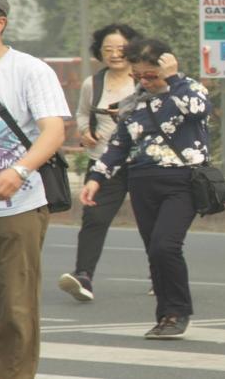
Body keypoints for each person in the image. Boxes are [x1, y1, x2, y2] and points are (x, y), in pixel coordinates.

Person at [0, 0, 70, 378]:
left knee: (15, 306)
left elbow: (53, 131)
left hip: (19, 204)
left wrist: (19, 170)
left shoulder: (30, 70)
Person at [79, 38, 211, 339]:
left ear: (167, 65)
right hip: (141, 181)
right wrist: (96, 177)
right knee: (155, 251)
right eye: (138, 76)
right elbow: (119, 144)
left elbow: (198, 112)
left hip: (182, 181)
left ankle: (178, 311)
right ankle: (165, 316)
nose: (145, 81)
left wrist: (173, 79)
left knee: (166, 245)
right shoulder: (135, 101)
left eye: (151, 75)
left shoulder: (189, 89)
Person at [58, 23, 142, 302]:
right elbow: (82, 114)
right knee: (94, 219)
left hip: (143, 164)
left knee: (152, 223)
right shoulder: (92, 83)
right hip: (102, 164)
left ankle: (161, 273)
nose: (115, 54)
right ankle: (83, 276)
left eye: (121, 49)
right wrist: (85, 132)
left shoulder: (144, 81)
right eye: (108, 49)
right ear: (99, 52)